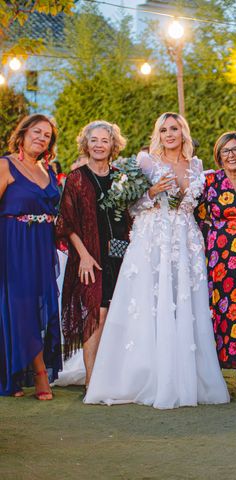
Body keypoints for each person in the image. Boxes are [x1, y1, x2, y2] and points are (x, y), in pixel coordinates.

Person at [84, 112, 229, 409]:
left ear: (183, 132)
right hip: (153, 238)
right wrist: (152, 192)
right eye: (163, 130)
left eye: (174, 128)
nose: (169, 134)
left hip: (186, 239)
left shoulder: (198, 165)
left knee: (185, 303)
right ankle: (146, 374)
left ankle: (187, 376)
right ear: (158, 134)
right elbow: (130, 206)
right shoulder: (144, 161)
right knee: (150, 302)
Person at [56, 121, 130, 389]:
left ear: (113, 145)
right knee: (94, 314)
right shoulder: (76, 178)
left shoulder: (122, 177)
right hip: (88, 255)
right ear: (85, 144)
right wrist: (84, 256)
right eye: (94, 140)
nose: (99, 145)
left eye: (104, 140)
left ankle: (112, 376)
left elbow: (129, 216)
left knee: (114, 312)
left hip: (119, 254)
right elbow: (67, 222)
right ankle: (91, 380)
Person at [0, 114, 61, 399]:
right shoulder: (6, 164)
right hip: (13, 242)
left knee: (42, 305)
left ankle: (14, 374)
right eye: (36, 132)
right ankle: (39, 374)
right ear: (22, 134)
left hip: (42, 243)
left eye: (47, 135)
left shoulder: (46, 169)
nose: (41, 137)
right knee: (21, 305)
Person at [196, 131, 236, 396]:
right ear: (218, 156)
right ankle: (217, 371)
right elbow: (194, 214)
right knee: (223, 309)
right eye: (226, 151)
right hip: (221, 254)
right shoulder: (210, 180)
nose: (231, 155)